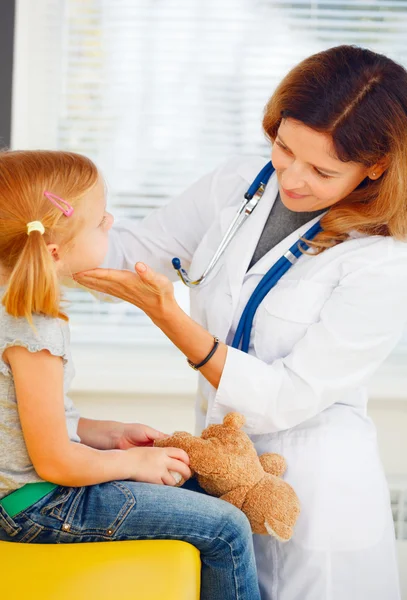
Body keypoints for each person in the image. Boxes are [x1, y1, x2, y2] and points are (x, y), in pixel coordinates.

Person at [75, 45, 407, 600]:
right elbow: (136, 250)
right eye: (283, 147)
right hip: (226, 477)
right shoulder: (238, 183)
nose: (292, 178)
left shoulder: (385, 260)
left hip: (316, 494)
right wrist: (43, 231)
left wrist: (169, 317)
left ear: (376, 167)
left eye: (322, 170)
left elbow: (286, 396)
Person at [0, 150, 261, 600]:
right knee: (227, 528)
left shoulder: (10, 310)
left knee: (201, 487)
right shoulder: (33, 328)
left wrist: (110, 433)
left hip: (22, 497)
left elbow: (25, 422)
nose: (111, 222)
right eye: (102, 222)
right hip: (38, 505)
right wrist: (132, 463)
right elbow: (55, 462)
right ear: (55, 250)